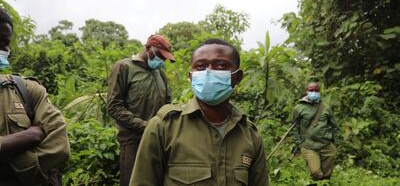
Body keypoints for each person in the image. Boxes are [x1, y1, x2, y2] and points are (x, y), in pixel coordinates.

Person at [129, 39, 269, 186]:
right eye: (200, 67)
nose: (208, 72)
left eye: (220, 66)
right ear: (191, 76)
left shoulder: (250, 136)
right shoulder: (164, 127)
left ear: (238, 77)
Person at [0, 8, 70, 185]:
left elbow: (60, 145)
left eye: (4, 43)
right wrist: (25, 138)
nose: (2, 49)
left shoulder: (26, 89)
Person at [107, 34, 175, 186]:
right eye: (160, 56)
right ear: (148, 48)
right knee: (133, 181)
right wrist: (144, 126)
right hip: (133, 141)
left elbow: (167, 102)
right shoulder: (124, 67)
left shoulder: (159, 73)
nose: (162, 61)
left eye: (165, 59)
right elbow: (114, 106)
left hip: (159, 139)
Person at [292, 80, 338, 181]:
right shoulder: (299, 108)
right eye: (311, 90)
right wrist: (299, 143)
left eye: (316, 90)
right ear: (306, 91)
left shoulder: (326, 108)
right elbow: (295, 128)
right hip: (308, 145)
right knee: (316, 173)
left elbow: (333, 126)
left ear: (319, 92)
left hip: (326, 144)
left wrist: (335, 143)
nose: (313, 92)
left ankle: (325, 183)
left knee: (327, 173)